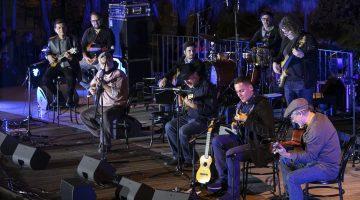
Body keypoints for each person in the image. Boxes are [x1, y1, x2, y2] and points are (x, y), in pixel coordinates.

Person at [207, 77, 274, 200]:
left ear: (251, 88)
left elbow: (267, 132)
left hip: (259, 145)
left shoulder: (262, 104)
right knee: (217, 141)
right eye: (237, 92)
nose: (239, 95)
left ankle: (233, 194)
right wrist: (235, 124)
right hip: (244, 140)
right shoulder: (242, 103)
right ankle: (224, 181)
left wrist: (247, 120)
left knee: (231, 154)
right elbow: (241, 123)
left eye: (242, 91)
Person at [275, 98, 341, 200]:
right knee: (284, 160)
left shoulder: (315, 129)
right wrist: (287, 155)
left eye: (293, 117)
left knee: (292, 178)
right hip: (318, 162)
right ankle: (292, 195)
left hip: (327, 168)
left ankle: (294, 195)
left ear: (300, 113)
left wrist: (288, 154)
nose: (293, 121)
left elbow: (310, 157)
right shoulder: (318, 116)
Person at [164, 62, 217, 167]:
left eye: (188, 78)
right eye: (185, 80)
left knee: (183, 131)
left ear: (196, 75)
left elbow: (211, 110)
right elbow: (185, 96)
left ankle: (190, 159)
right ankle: (178, 156)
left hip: (203, 119)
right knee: (169, 126)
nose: (186, 82)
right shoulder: (189, 86)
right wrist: (183, 101)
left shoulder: (207, 88)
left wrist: (194, 106)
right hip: (189, 116)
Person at [80, 52, 128, 153]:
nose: (103, 66)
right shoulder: (100, 73)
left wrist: (104, 85)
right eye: (102, 64)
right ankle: (101, 133)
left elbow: (116, 94)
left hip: (116, 106)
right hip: (102, 105)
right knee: (84, 115)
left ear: (111, 62)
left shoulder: (119, 74)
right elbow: (92, 85)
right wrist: (92, 90)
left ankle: (106, 145)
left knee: (106, 116)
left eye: (106, 63)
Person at [272, 16, 318, 105]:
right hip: (288, 80)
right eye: (283, 31)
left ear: (294, 27)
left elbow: (314, 55)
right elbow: (281, 54)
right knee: (291, 112)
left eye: (287, 30)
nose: (285, 33)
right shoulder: (286, 39)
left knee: (306, 111)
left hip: (303, 82)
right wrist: (275, 62)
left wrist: (303, 55)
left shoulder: (307, 38)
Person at [43, 19, 81, 107]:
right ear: (55, 30)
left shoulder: (73, 39)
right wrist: (48, 56)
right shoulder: (51, 40)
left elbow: (79, 56)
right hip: (55, 65)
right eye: (59, 28)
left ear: (66, 28)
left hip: (68, 65)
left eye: (63, 27)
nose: (61, 30)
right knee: (45, 79)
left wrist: (71, 57)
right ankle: (58, 97)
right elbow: (47, 52)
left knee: (71, 78)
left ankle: (70, 99)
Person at [80, 11, 115, 89]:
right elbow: (82, 46)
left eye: (97, 20)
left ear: (101, 20)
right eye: (93, 21)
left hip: (101, 60)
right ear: (91, 21)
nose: (95, 22)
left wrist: (99, 57)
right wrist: (85, 56)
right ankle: (89, 87)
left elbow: (111, 48)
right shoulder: (88, 31)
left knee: (102, 75)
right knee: (75, 69)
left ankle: (97, 90)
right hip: (88, 59)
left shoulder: (108, 32)